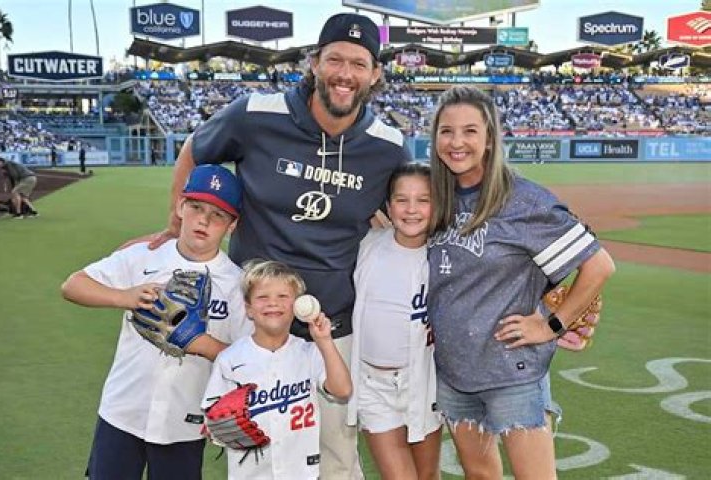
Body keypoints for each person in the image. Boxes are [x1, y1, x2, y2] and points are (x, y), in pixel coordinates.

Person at [135, 12, 411, 478]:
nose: (345, 74)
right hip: (252, 318)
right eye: (335, 60)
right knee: (251, 446)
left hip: (332, 324)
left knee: (336, 453)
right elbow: (194, 151)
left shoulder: (387, 146)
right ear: (315, 63)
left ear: (375, 74)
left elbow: (405, 214)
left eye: (359, 64)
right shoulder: (256, 114)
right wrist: (174, 224)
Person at [426, 86, 615, 479]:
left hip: (513, 371)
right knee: (479, 475)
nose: (456, 142)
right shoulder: (435, 199)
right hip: (453, 372)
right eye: (446, 131)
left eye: (470, 131)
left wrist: (551, 324)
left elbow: (599, 265)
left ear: (489, 139)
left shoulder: (522, 200)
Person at [61, 164, 253, 480]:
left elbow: (249, 360)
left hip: (184, 421)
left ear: (232, 225)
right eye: (196, 207)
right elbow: (73, 285)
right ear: (180, 206)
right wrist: (125, 297)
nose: (204, 220)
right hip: (122, 410)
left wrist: (201, 344)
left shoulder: (236, 283)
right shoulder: (145, 256)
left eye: (218, 215)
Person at [202, 259, 352, 479]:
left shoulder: (309, 352)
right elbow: (213, 419)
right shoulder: (230, 359)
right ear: (248, 309)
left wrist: (325, 341)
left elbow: (343, 390)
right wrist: (221, 426)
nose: (273, 303)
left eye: (283, 296)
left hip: (301, 473)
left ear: (297, 306)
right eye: (262, 297)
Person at [347, 163, 442, 479]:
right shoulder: (368, 245)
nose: (411, 209)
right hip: (372, 384)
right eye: (402, 200)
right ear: (388, 206)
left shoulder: (445, 256)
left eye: (423, 200)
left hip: (423, 382)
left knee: (427, 476)